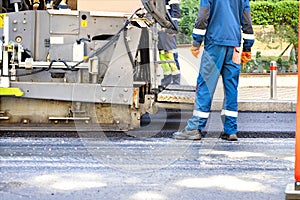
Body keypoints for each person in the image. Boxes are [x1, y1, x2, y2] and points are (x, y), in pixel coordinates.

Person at [173, 0, 254, 141]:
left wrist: (196, 42)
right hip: (234, 45)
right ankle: (230, 130)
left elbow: (203, 16)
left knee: (205, 86)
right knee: (231, 87)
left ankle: (195, 128)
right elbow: (247, 20)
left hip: (215, 44)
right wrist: (247, 47)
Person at [157, 0, 181, 87]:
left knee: (170, 54)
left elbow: (176, 11)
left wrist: (173, 27)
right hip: (161, 28)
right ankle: (166, 80)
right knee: (162, 54)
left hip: (168, 28)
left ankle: (176, 82)